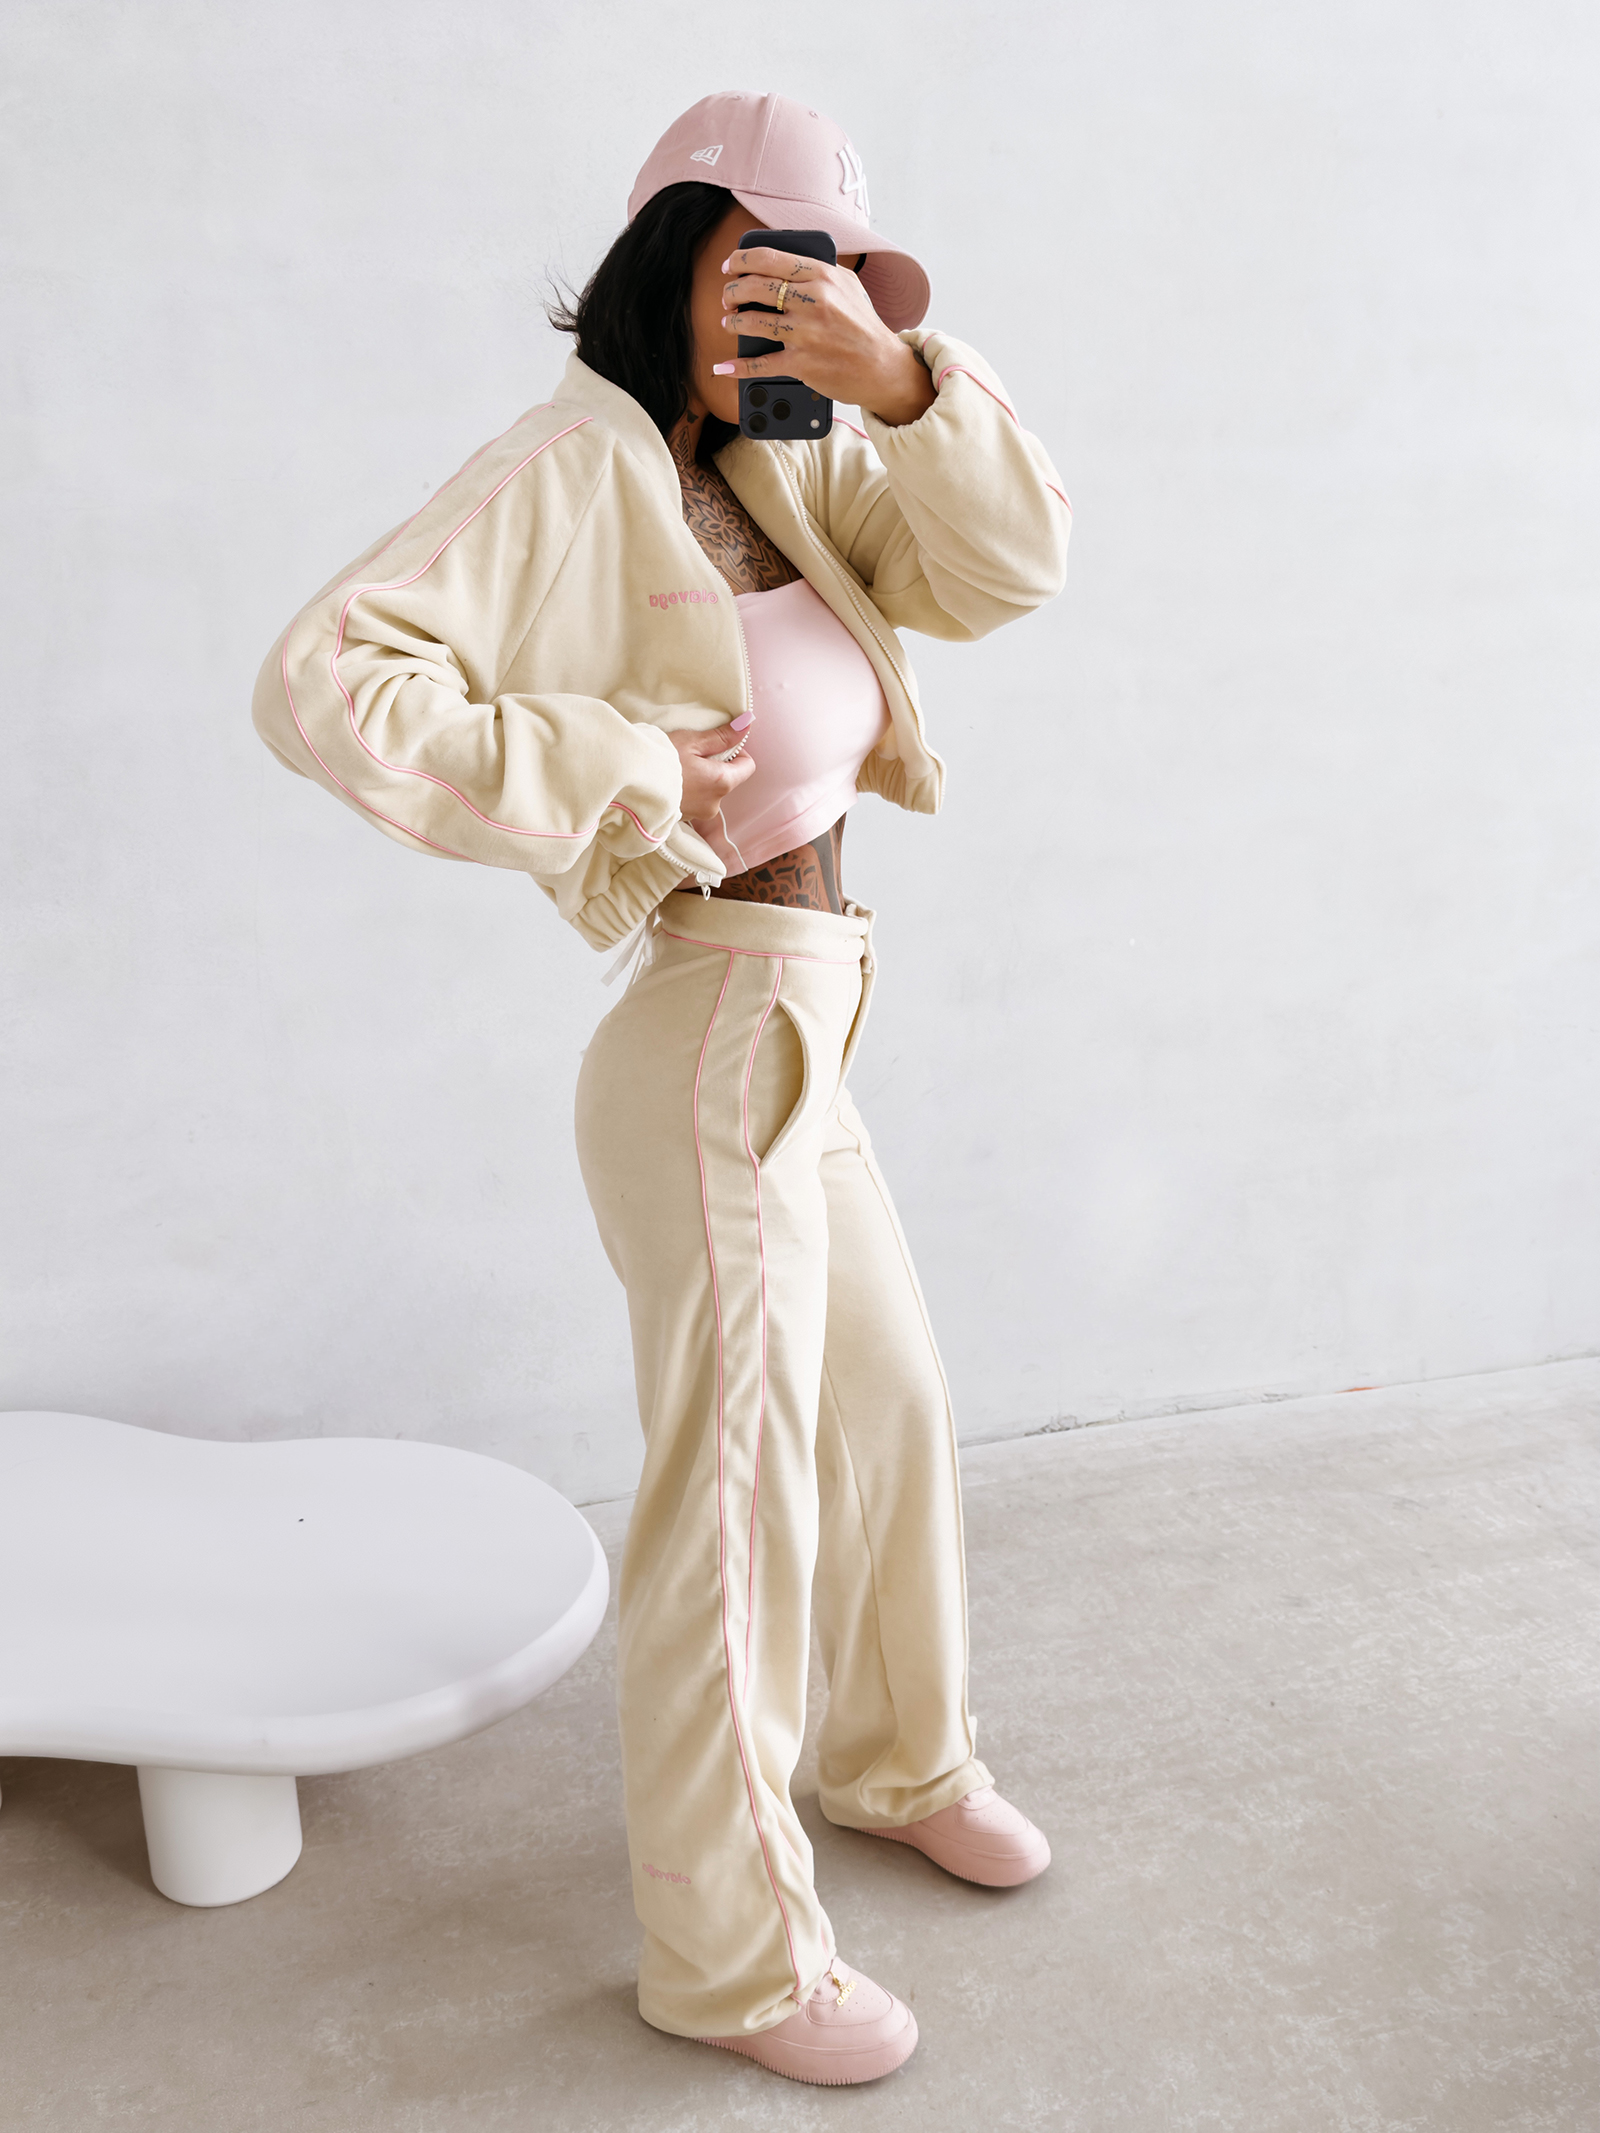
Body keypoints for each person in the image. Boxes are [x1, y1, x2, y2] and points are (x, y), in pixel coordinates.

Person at [252, 89, 1070, 2087]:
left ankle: (893, 1760)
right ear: (665, 259)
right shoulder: (564, 469)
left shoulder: (786, 471)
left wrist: (905, 384)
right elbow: (323, 676)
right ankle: (729, 1956)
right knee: (739, 1498)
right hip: (706, 1031)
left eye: (828, 277)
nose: (792, 307)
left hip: (812, 1024)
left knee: (887, 1407)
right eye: (760, 268)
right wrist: (608, 764)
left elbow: (1007, 572)